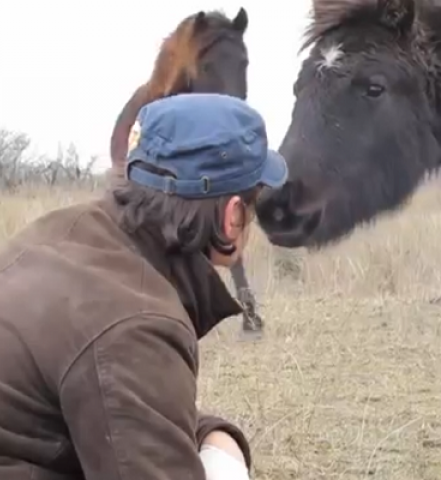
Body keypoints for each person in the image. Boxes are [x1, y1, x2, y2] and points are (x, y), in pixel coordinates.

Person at [0, 93, 288, 479]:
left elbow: (115, 405)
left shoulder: (66, 232)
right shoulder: (135, 322)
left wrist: (215, 436)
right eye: (254, 206)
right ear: (233, 216)